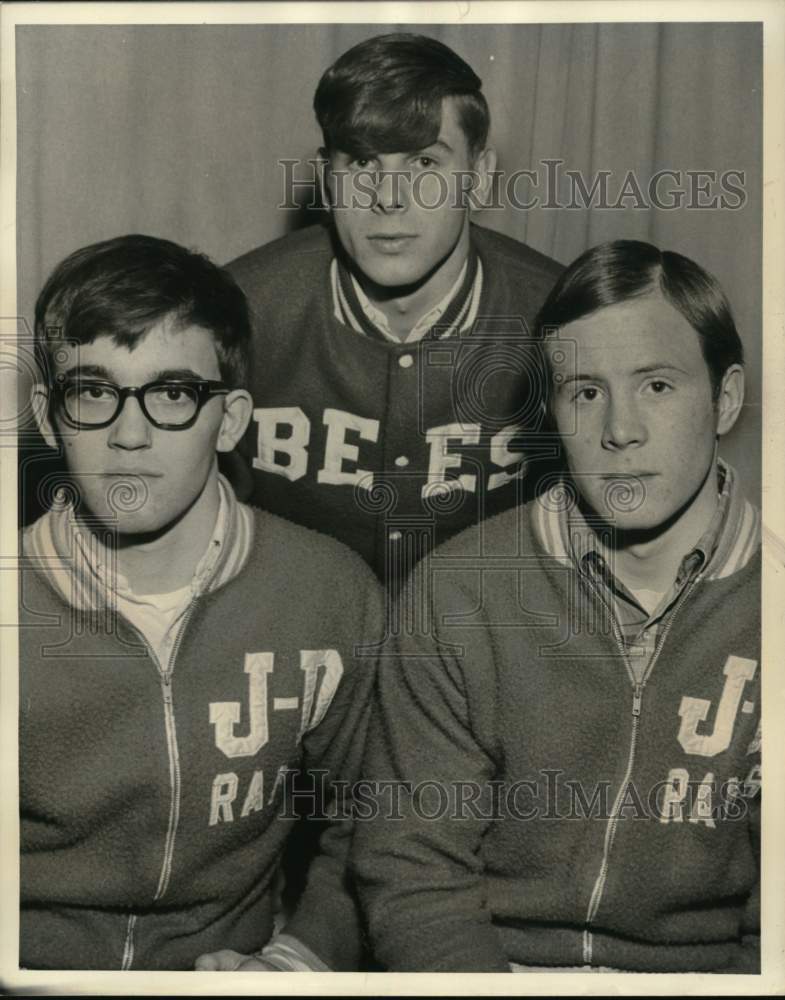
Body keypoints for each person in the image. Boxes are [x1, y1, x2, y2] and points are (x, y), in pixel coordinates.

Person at [352, 240, 762, 972]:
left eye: (657, 386)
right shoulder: (459, 592)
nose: (620, 430)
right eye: (585, 393)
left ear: (724, 398)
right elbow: (414, 872)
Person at [19, 234, 382, 971]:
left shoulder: (329, 592)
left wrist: (296, 960)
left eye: (173, 394)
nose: (129, 435)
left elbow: (378, 821)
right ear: (49, 415)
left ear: (233, 419)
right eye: (93, 392)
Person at [228, 32, 563, 588]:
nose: (388, 197)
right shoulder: (235, 310)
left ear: (479, 177)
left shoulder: (559, 317)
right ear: (328, 178)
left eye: (425, 162)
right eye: (362, 161)